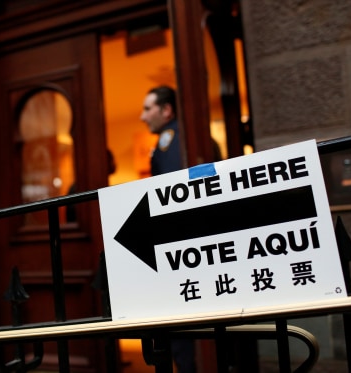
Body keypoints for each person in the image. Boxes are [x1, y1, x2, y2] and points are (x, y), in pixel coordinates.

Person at [140, 85, 197, 373]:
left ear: (166, 110)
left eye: (148, 108)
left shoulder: (169, 140)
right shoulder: (171, 138)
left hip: (179, 242)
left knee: (182, 331)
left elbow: (173, 191)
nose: (142, 116)